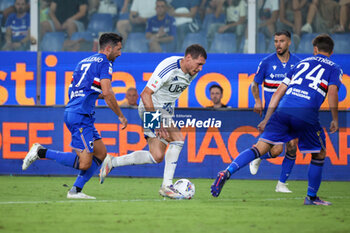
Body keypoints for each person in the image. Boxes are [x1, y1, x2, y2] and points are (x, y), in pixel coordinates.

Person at [211, 34, 343, 206]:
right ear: (331, 52)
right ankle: (311, 197)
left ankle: (227, 172)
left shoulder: (301, 64)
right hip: (306, 114)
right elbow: (332, 92)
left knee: (259, 148)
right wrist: (334, 118)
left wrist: (267, 118)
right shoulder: (335, 68)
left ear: (315, 49)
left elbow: (279, 92)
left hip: (283, 109)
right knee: (319, 153)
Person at [22, 33, 128, 199]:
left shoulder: (83, 62)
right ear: (108, 49)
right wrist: (121, 115)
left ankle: (75, 191)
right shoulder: (105, 63)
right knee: (85, 163)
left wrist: (97, 96)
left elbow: (76, 91)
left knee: (100, 154)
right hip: (80, 116)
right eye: (118, 49)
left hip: (77, 112)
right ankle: (41, 152)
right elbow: (107, 92)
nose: (120, 53)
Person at [99, 44, 207, 199]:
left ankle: (112, 162)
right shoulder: (168, 67)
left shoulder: (191, 72)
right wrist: (157, 122)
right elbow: (145, 94)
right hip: (151, 107)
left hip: (164, 111)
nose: (200, 69)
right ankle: (167, 186)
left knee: (156, 156)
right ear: (188, 58)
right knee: (178, 139)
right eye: (199, 64)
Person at [250, 30, 300, 193]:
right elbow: (254, 84)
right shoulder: (267, 62)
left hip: (292, 113)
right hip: (274, 114)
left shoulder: (298, 64)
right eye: (276, 41)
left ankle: (281, 184)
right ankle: (258, 156)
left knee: (292, 146)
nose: (278, 44)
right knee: (277, 150)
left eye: (281, 41)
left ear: (289, 42)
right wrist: (258, 100)